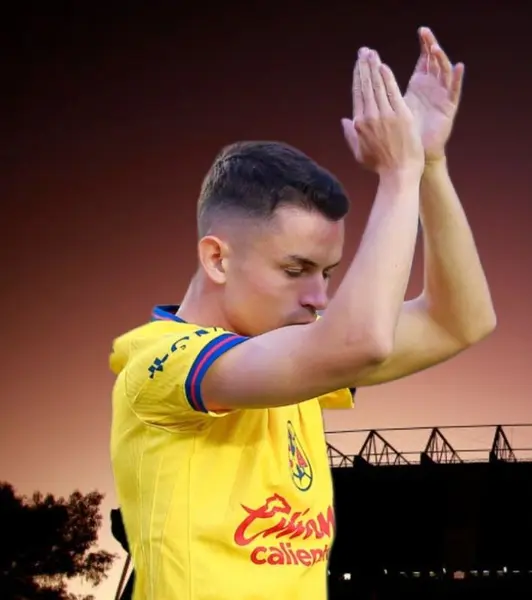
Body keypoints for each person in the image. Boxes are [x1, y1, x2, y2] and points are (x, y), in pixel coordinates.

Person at [109, 28, 495, 600]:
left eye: (328, 273)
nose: (319, 297)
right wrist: (398, 175)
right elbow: (358, 342)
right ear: (217, 259)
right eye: (296, 270)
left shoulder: (299, 366)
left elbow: (460, 321)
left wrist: (430, 161)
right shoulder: (158, 365)